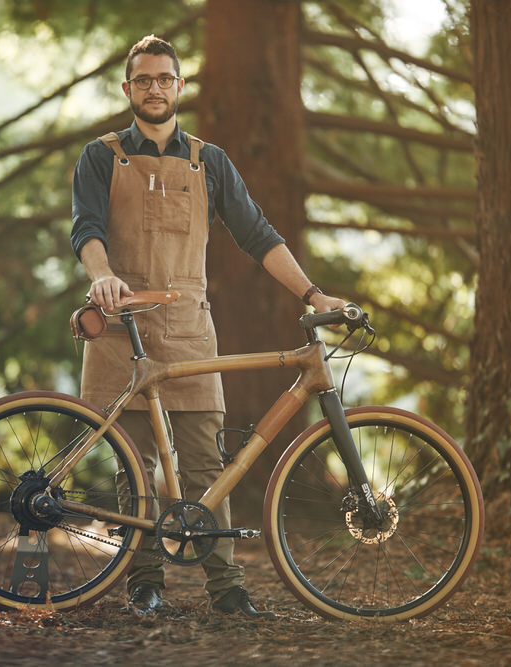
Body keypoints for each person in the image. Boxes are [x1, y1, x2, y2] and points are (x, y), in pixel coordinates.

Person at [70, 35, 345, 618]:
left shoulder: (208, 160)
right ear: (127, 89)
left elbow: (258, 235)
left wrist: (313, 292)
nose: (153, 88)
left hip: (189, 323)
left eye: (164, 79)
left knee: (204, 465)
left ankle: (227, 590)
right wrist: (101, 277)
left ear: (180, 87)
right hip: (121, 321)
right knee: (133, 462)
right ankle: (143, 582)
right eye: (142, 79)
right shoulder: (101, 155)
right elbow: (86, 229)